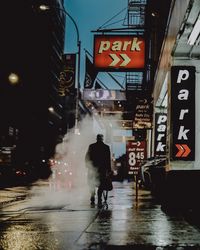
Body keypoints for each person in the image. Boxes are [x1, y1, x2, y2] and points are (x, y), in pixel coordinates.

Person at [85, 134, 112, 206]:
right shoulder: (106, 147)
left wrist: (88, 166)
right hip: (102, 169)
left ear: (96, 138)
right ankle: (99, 198)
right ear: (102, 139)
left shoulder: (92, 146)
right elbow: (108, 160)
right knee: (101, 184)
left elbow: (87, 157)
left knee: (92, 183)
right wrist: (109, 170)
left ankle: (92, 196)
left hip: (92, 168)